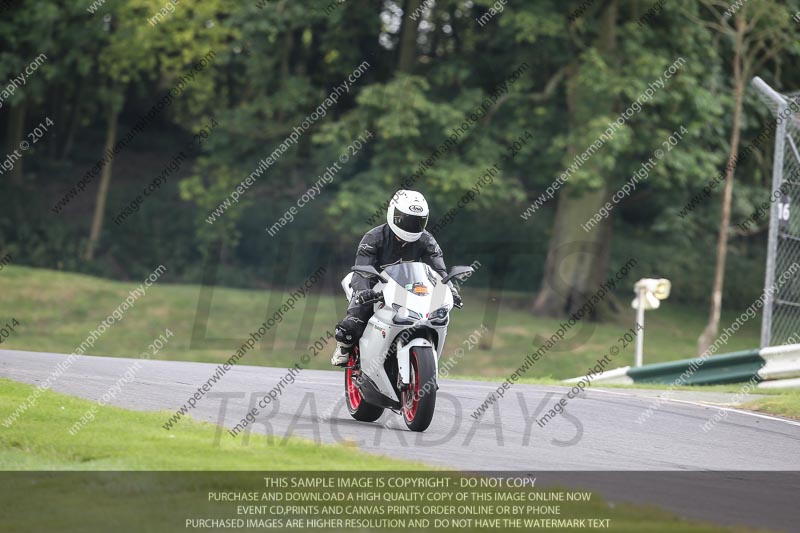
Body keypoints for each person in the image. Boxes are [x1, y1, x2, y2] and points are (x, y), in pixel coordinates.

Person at [331, 189, 462, 366]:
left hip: (409, 289)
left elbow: (439, 271)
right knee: (351, 327)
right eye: (406, 220)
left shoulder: (427, 240)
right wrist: (363, 291)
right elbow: (362, 270)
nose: (411, 226)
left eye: (417, 221)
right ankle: (344, 347)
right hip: (374, 286)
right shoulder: (373, 238)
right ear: (393, 214)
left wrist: (451, 290)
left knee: (435, 317)